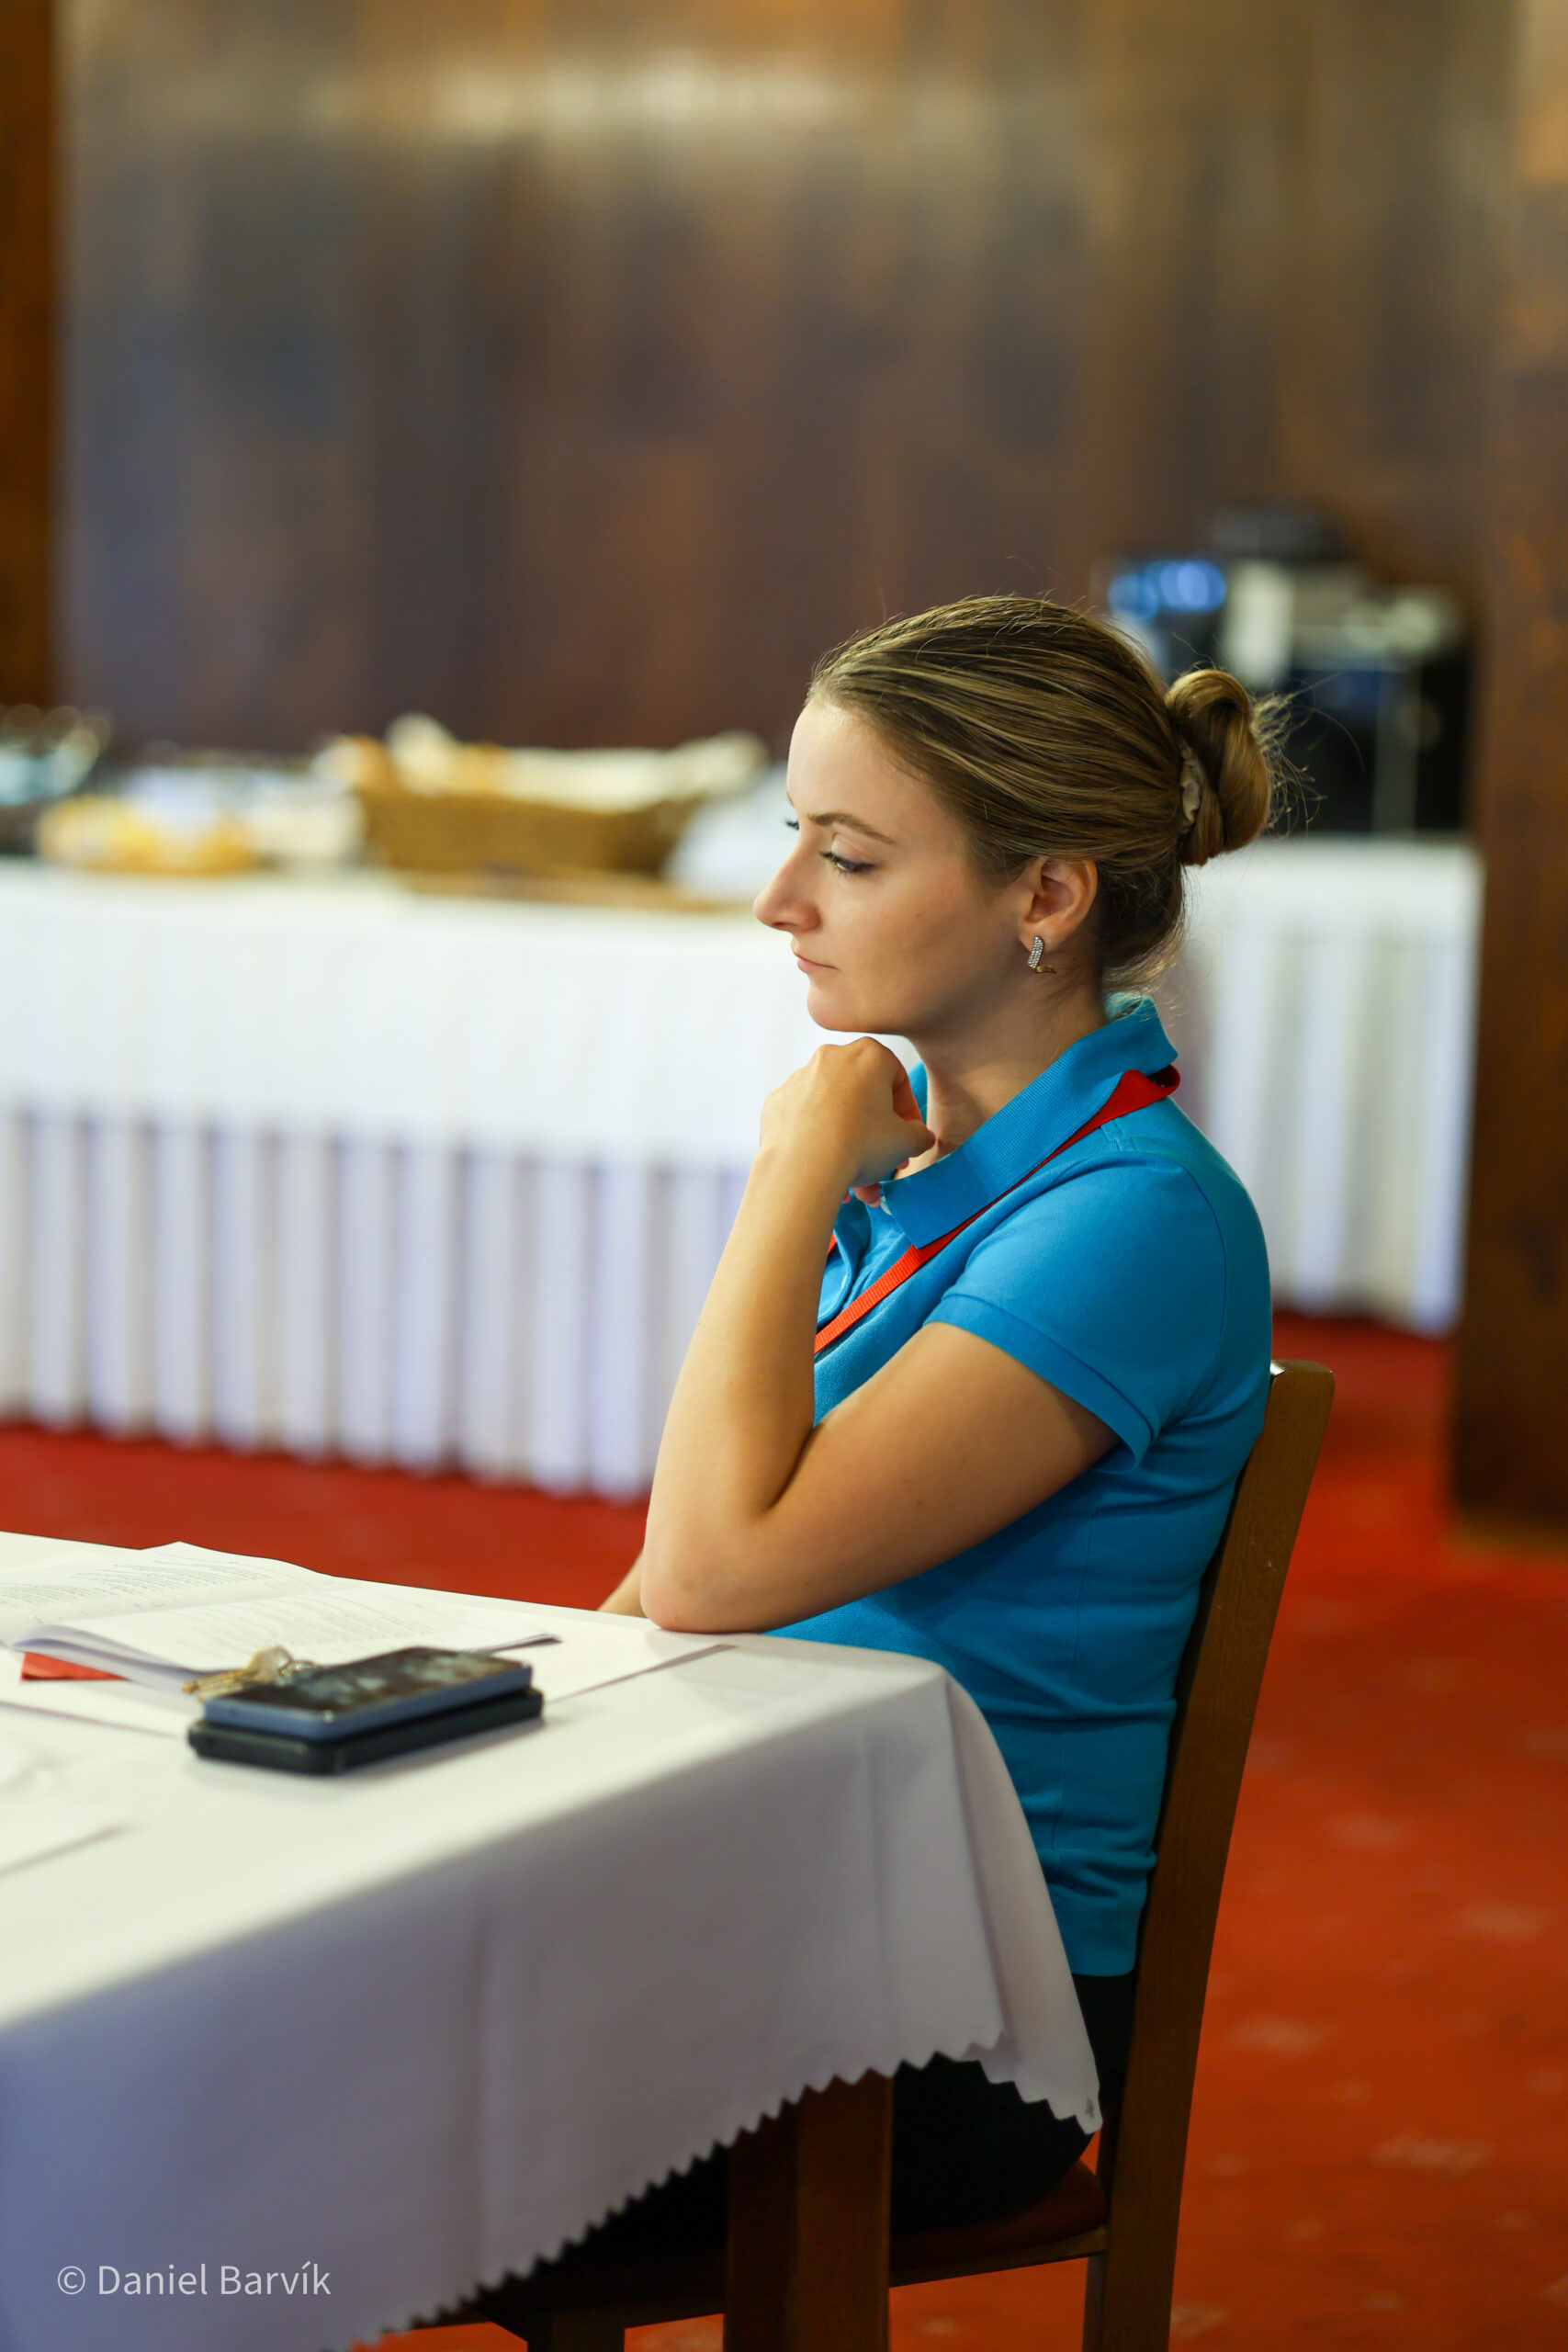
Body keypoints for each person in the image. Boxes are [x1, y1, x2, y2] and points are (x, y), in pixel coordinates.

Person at [596, 592, 1279, 2243]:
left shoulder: (1130, 1217)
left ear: (1045, 896)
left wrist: (789, 1172)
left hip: (956, 2010)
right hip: (782, 1880)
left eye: (846, 855)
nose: (779, 900)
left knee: (267, 2112)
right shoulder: (943, 1164)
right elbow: (656, 1597)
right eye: (793, 837)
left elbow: (708, 1570)